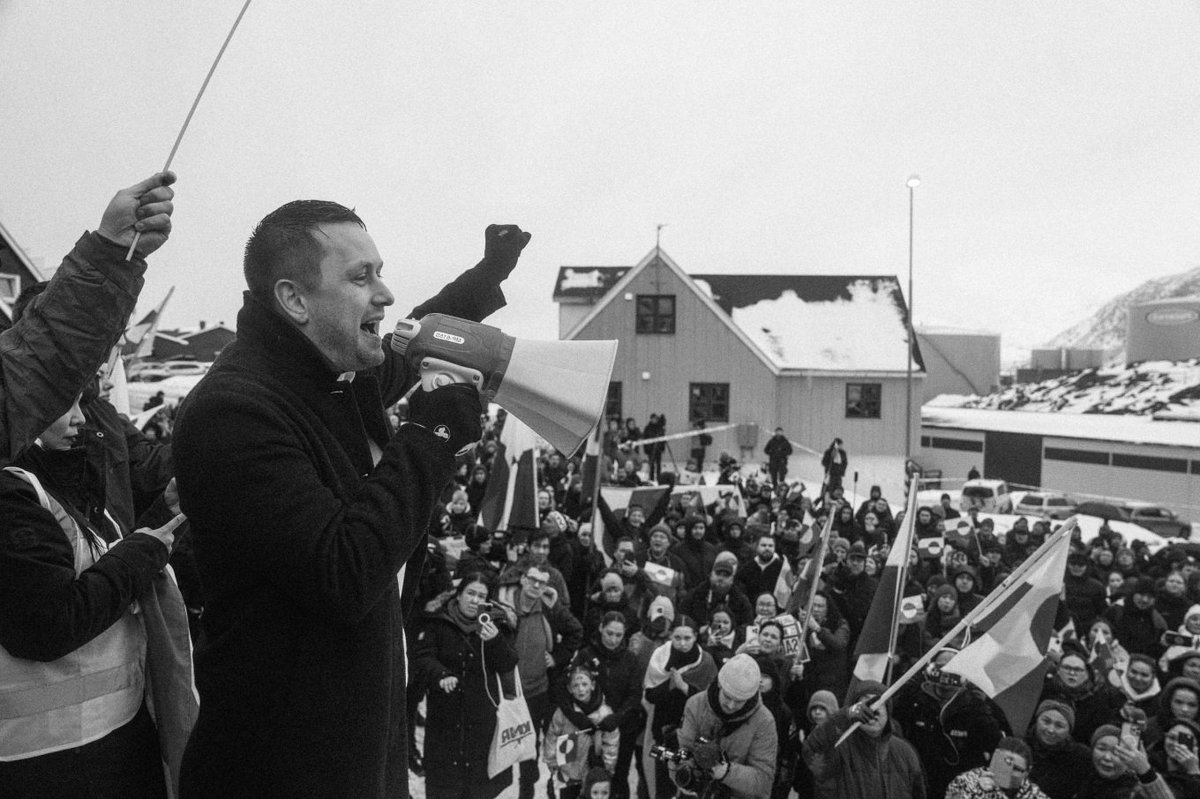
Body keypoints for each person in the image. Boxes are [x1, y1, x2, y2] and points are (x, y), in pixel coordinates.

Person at [173, 203, 530, 799]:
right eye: (361, 277)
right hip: (283, 766)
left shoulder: (335, 370)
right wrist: (431, 436)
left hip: (357, 744)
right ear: (295, 300)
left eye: (379, 272)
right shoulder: (233, 411)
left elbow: (411, 338)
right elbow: (345, 571)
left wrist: (484, 277)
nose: (384, 291)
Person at [0, 395, 188, 798]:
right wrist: (141, 554)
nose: (80, 419)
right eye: (61, 404)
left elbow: (100, 566)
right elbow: (47, 624)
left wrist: (161, 519)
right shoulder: (17, 492)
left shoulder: (56, 484)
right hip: (53, 759)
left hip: (107, 738)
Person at [1, 171, 176, 466]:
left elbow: (29, 373)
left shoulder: (106, 417)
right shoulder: (26, 484)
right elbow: (32, 372)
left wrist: (111, 252)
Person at [412, 573, 519, 799]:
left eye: (481, 596)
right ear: (458, 595)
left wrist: (495, 641)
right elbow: (422, 656)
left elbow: (509, 663)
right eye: (470, 593)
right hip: (445, 720)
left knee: (478, 789)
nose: (475, 600)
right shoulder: (438, 621)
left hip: (481, 722)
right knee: (445, 787)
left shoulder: (497, 624)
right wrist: (441, 675)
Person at [673, 653, 778, 799]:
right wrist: (682, 776)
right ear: (719, 684)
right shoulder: (695, 704)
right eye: (728, 696)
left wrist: (726, 771)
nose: (731, 705)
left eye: (739, 701)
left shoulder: (764, 721)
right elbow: (681, 750)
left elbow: (763, 781)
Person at [801, 680, 927, 798]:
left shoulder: (905, 752)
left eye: (878, 703)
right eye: (866, 704)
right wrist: (845, 716)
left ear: (887, 711)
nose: (872, 710)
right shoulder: (838, 749)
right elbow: (811, 750)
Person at [642, 617, 718, 799]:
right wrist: (670, 686)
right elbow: (650, 694)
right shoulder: (660, 655)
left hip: (692, 732)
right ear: (670, 636)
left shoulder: (705, 661)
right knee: (662, 779)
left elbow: (712, 700)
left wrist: (685, 688)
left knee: (688, 781)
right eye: (677, 638)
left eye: (687, 638)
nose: (682, 643)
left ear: (695, 637)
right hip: (661, 728)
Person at [571, 613, 645, 799]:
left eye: (618, 635)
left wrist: (618, 717)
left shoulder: (630, 659)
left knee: (618, 778)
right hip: (589, 726)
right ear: (601, 628)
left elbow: (635, 693)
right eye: (609, 633)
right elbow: (573, 687)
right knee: (584, 778)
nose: (613, 639)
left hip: (622, 727)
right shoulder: (586, 655)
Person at [544, 665, 619, 799]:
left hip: (592, 770)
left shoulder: (604, 713)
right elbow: (552, 735)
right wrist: (551, 760)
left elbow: (612, 742)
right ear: (569, 689)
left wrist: (607, 768)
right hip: (568, 768)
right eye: (576, 685)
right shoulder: (563, 712)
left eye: (584, 684)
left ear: (593, 685)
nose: (581, 689)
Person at [1076, 725, 1174, 798]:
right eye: (1102, 749)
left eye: (1117, 752)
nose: (1107, 757)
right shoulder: (1083, 777)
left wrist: (1145, 772)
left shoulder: (1135, 790)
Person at [1027, 700, 1093, 799]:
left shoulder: (1081, 757)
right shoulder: (1022, 745)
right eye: (1046, 721)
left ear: (1069, 731)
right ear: (1037, 720)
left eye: (1059, 726)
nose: (1050, 730)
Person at [945, 736, 1050, 799]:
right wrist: (978, 791)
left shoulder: (1036, 796)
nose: (1009, 772)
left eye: (1017, 769)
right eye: (1005, 765)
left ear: (1027, 771)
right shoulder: (965, 782)